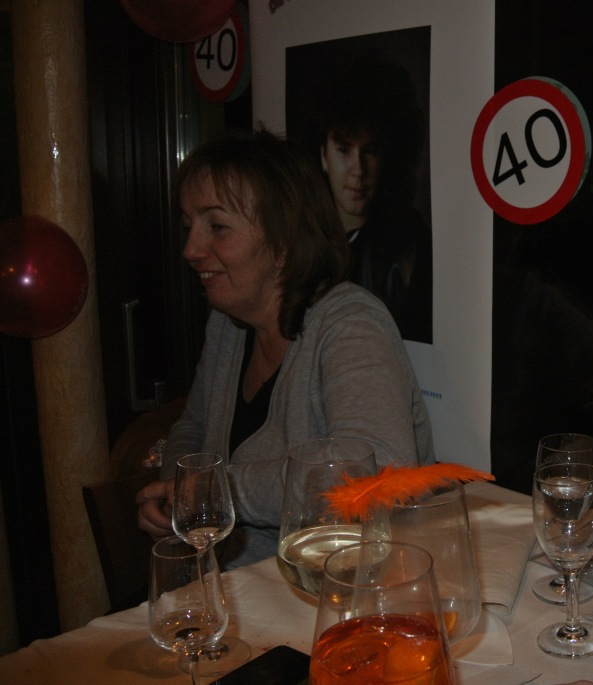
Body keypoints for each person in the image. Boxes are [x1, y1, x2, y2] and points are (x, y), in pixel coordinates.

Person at [136, 130, 435, 569]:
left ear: (283, 242)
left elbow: (377, 470)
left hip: (342, 586)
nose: (191, 249)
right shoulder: (226, 325)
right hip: (239, 586)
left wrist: (220, 493)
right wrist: (178, 496)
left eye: (216, 227)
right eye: (189, 226)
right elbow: (193, 428)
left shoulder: (350, 323)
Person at [298, 48, 433, 343]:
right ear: (323, 155)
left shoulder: (411, 243)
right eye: (344, 150)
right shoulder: (298, 236)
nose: (357, 170)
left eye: (370, 151)